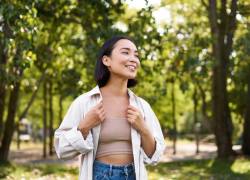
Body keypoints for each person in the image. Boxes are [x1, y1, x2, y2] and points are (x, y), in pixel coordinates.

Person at [54, 36, 166, 180]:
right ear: (106, 60)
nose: (133, 59)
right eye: (125, 52)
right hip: (100, 175)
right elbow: (62, 150)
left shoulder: (142, 106)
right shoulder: (85, 102)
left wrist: (143, 129)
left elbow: (154, 156)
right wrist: (84, 126)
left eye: (136, 55)